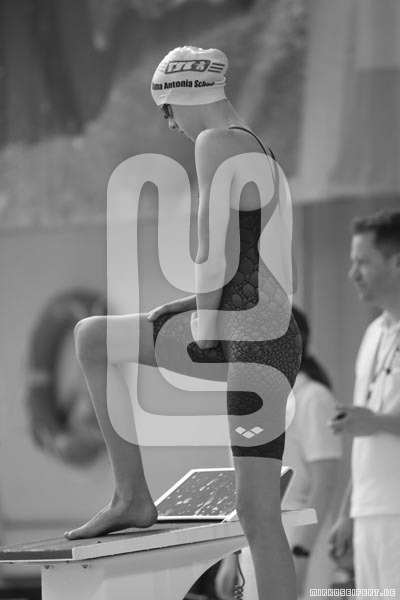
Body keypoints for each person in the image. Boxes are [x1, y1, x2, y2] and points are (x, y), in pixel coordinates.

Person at [64, 46, 302, 600]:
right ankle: (130, 496)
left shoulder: (215, 141)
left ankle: (132, 496)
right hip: (266, 336)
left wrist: (204, 327)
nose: (170, 125)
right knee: (94, 337)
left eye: (166, 111)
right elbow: (258, 266)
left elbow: (211, 253)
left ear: (180, 97)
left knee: (258, 515)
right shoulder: (261, 151)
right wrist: (192, 309)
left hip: (251, 343)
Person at [215, 306, 342, 600]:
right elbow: (239, 489)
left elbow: (325, 485)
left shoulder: (313, 398)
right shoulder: (250, 401)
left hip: (297, 538)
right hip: (251, 544)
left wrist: (302, 552)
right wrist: (228, 558)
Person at [329, 209, 400, 595]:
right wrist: (348, 512)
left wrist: (376, 423)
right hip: (370, 510)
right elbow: (363, 436)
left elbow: (370, 424)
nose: (352, 273)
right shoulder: (374, 332)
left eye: (363, 262)